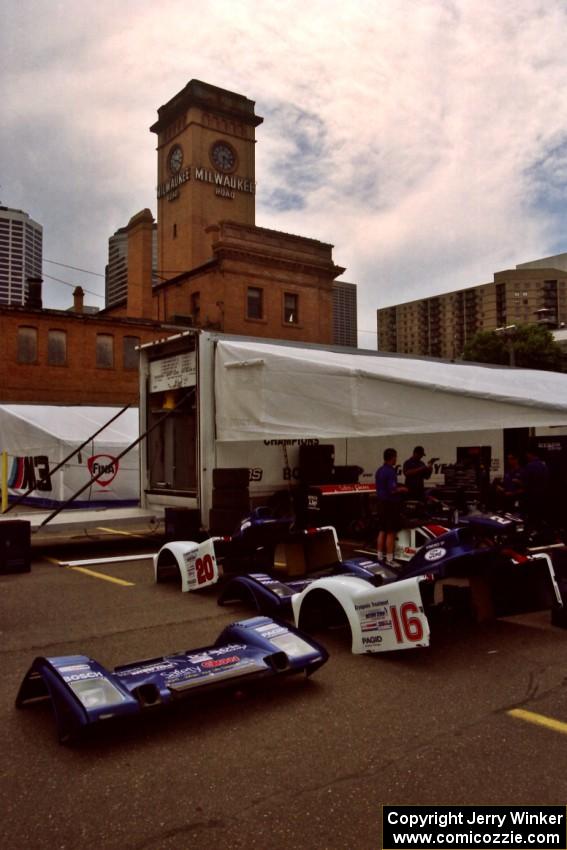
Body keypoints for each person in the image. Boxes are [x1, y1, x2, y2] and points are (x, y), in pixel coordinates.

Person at [375, 448, 407, 564]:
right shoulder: (390, 471)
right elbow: (392, 490)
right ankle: (389, 559)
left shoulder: (379, 470)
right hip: (389, 504)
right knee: (391, 532)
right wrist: (402, 489)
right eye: (395, 457)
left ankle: (379, 557)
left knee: (382, 530)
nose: (396, 459)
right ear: (392, 457)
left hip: (380, 503)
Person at [519, 445, 550, 531]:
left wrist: (518, 482)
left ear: (530, 454)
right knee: (539, 518)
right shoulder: (544, 465)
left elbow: (525, 483)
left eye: (527, 454)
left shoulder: (529, 466)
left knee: (530, 519)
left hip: (531, 497)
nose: (526, 456)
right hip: (542, 496)